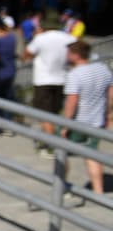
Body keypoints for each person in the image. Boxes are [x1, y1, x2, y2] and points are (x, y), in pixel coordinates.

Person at [62, 39, 111, 205]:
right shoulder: (102, 69)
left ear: (75, 55)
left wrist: (66, 124)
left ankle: (62, 186)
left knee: (61, 153)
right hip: (96, 121)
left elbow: (72, 101)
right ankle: (98, 191)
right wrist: (108, 114)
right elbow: (111, 93)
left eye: (68, 54)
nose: (66, 57)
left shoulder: (75, 74)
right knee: (92, 155)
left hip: (78, 122)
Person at [23, 19, 75, 155]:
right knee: (55, 113)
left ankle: (51, 146)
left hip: (43, 80)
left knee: (44, 114)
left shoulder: (41, 38)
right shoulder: (69, 38)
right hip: (62, 79)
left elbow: (27, 53)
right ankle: (55, 141)